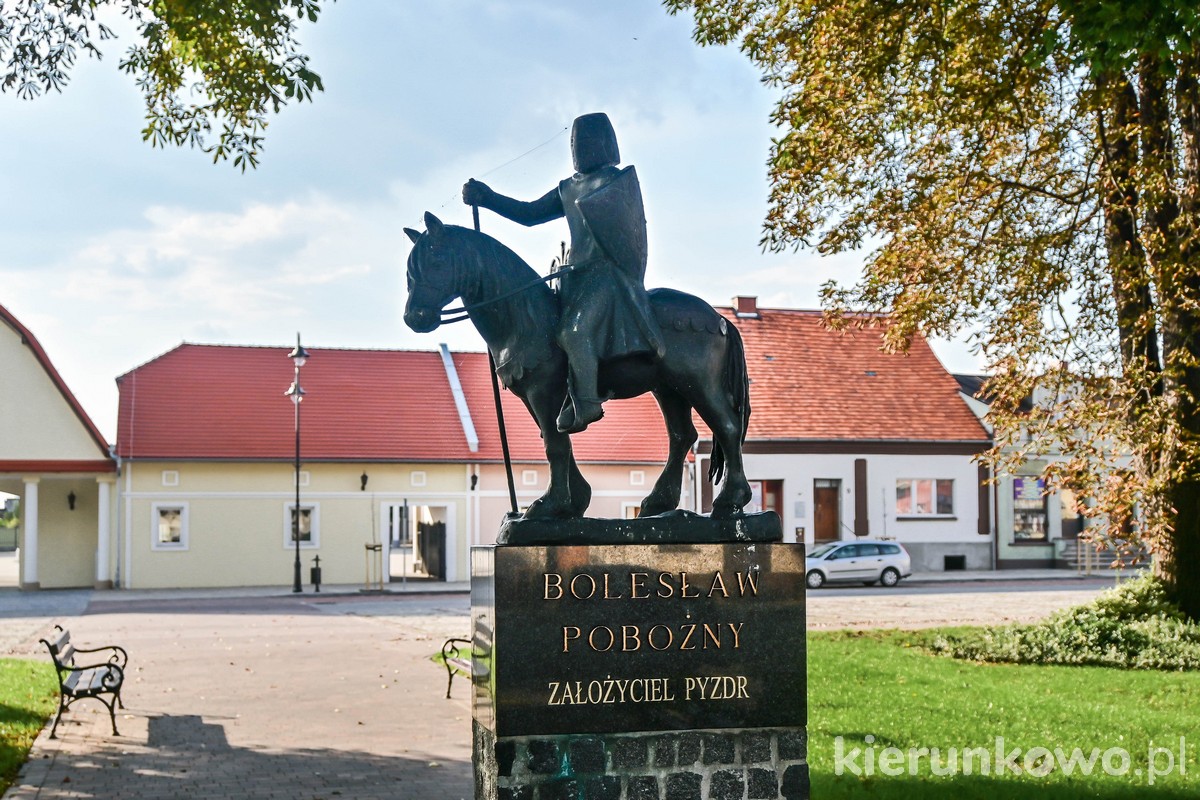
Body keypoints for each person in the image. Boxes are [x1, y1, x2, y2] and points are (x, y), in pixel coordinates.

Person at [463, 113, 664, 433]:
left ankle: (587, 402)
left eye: (585, 140)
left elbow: (628, 238)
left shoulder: (617, 181)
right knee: (544, 331)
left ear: (603, 142)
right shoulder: (567, 188)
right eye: (575, 141)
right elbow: (528, 214)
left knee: (573, 332)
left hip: (607, 276)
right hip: (573, 278)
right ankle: (564, 391)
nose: (579, 147)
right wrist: (488, 198)